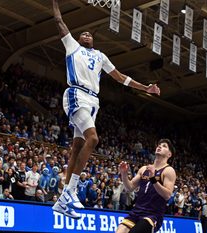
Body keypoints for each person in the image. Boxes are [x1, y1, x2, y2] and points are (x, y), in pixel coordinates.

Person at [51, 0, 160, 218]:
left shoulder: (100, 56)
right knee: (93, 139)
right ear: (79, 39)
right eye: (83, 34)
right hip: (77, 94)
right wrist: (54, 2)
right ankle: (70, 191)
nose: (86, 35)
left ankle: (62, 202)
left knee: (77, 147)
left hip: (93, 102)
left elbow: (120, 78)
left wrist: (145, 88)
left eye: (90, 34)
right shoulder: (72, 46)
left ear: (94, 40)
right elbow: (59, 21)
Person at [116, 139, 176, 233]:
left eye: (164, 146)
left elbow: (167, 195)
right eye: (159, 145)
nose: (159, 146)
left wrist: (153, 179)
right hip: (136, 212)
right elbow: (130, 187)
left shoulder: (169, 171)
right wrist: (124, 174)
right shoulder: (144, 168)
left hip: (152, 215)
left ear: (169, 154)